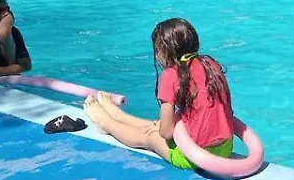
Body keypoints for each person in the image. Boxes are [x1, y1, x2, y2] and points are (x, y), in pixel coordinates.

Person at [83, 18, 235, 171]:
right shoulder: (211, 64)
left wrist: (162, 130)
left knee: (150, 137)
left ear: (163, 51)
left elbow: (166, 132)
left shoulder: (171, 75)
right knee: (157, 125)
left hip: (194, 157)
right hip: (225, 149)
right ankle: (118, 115)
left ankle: (107, 124)